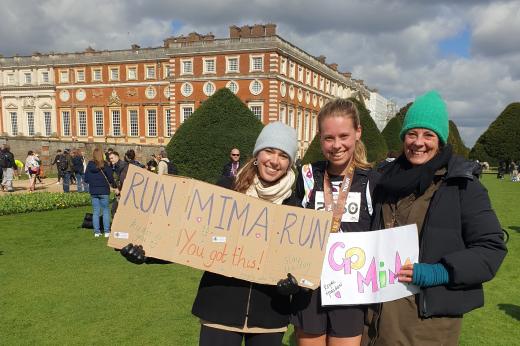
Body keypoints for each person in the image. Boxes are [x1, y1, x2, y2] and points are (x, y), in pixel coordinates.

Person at [121, 122, 299, 346]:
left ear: (290, 163)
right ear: (257, 154)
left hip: (270, 313)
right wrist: (146, 252)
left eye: (283, 155)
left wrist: (295, 284)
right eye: (269, 151)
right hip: (220, 308)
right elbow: (189, 237)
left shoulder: (295, 209)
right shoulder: (225, 190)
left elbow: (300, 265)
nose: (274, 160)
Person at [365, 90, 507, 345]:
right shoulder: (385, 179)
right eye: (412, 133)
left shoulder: (462, 186)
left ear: (440, 140)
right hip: (377, 316)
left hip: (426, 325)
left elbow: (491, 249)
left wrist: (441, 271)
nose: (418, 142)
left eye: (428, 134)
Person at [291, 99, 379, 346]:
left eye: (344, 136)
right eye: (329, 138)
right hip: (309, 289)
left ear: (358, 133)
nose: (337, 145)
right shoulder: (307, 176)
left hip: (350, 291)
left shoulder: (372, 180)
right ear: (320, 137)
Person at [85, 148, 115, 238]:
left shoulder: (90, 165)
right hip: (104, 190)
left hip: (94, 190)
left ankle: (97, 232)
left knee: (96, 211)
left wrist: (93, 181)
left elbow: (86, 179)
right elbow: (110, 178)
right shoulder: (105, 164)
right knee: (105, 210)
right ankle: (106, 231)